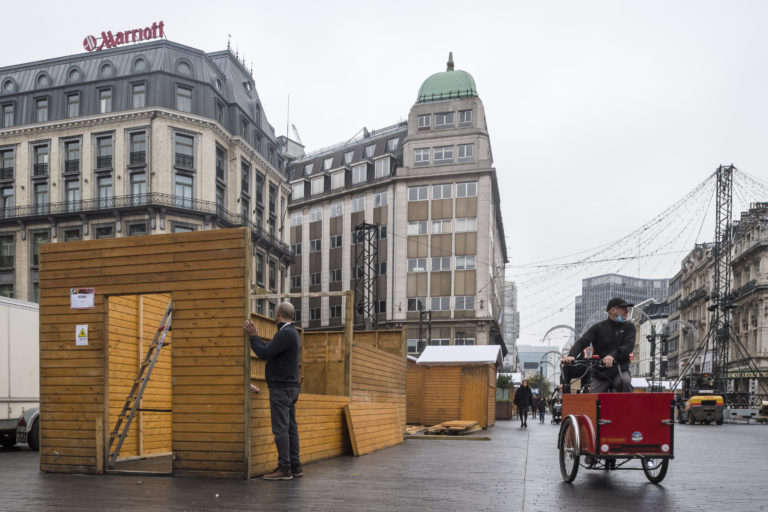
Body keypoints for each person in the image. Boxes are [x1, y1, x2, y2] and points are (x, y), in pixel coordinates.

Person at [243, 302, 302, 480]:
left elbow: (263, 352)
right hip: (290, 388)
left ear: (277, 314)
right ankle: (295, 466)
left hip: (281, 388)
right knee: (291, 428)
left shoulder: (286, 333)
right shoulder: (292, 332)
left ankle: (284, 469)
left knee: (281, 429)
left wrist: (253, 335)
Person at [563, 297, 635, 393]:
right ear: (613, 310)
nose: (627, 311)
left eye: (627, 308)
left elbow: (628, 346)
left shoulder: (629, 327)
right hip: (600, 373)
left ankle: (630, 407)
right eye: (624, 308)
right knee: (592, 400)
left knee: (625, 382)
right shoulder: (598, 328)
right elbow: (583, 341)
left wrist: (612, 356)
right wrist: (572, 355)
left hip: (620, 370)